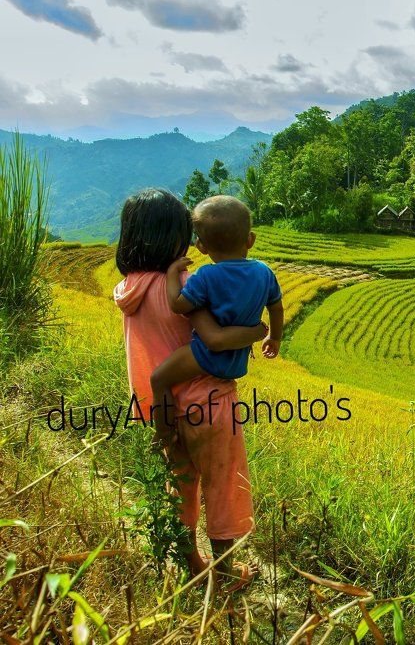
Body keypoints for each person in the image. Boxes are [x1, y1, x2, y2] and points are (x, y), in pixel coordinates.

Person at [113, 189, 263, 590]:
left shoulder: (128, 288)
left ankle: (190, 563)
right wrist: (258, 331)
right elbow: (217, 337)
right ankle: (228, 572)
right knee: (223, 481)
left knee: (180, 484)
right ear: (176, 237)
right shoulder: (185, 285)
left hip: (161, 408)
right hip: (208, 401)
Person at [149, 195, 284, 443]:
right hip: (237, 361)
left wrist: (171, 274)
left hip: (206, 356)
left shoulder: (206, 276)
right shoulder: (264, 273)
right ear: (250, 239)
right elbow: (276, 308)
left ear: (201, 246)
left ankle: (164, 433)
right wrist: (274, 337)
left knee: (159, 379)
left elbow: (178, 305)